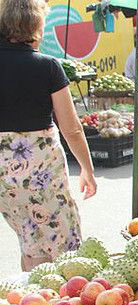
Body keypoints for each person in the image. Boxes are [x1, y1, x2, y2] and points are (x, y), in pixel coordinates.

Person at [0, 0, 97, 270]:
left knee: (29, 238)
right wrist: (87, 169)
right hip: (40, 165)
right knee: (61, 240)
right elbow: (72, 128)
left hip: (3, 172)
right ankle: (53, 302)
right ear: (35, 25)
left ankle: (31, 302)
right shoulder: (47, 66)